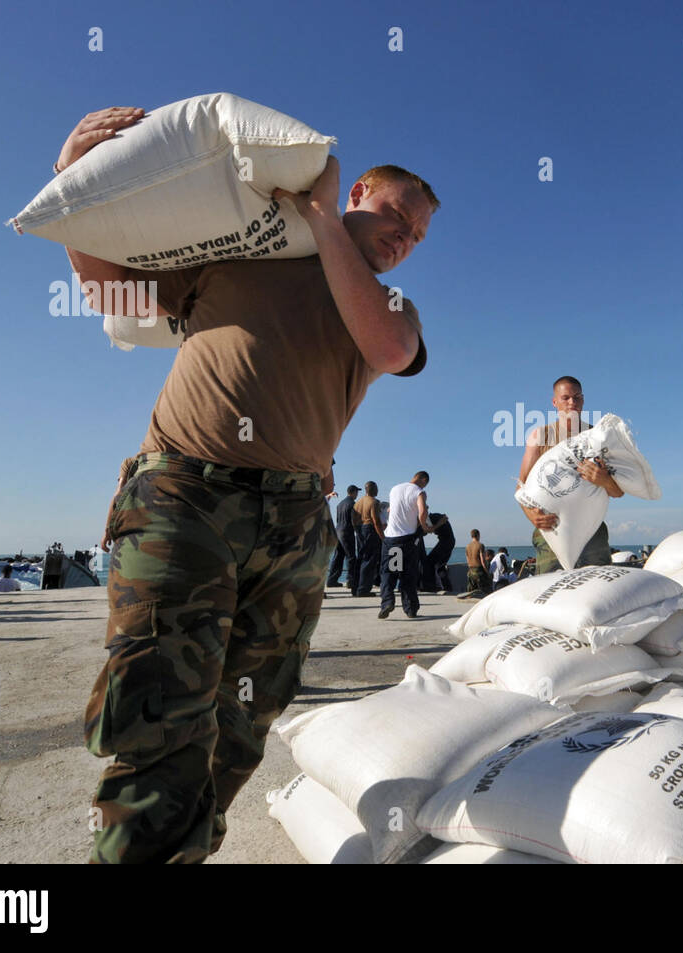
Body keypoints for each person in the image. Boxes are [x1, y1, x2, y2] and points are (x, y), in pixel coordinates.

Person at [61, 106, 438, 863]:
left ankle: (178, 853)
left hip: (294, 520)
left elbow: (392, 349)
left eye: (418, 236)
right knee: (164, 716)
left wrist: (329, 222)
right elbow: (114, 293)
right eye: (399, 216)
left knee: (243, 721)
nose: (405, 240)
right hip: (184, 498)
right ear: (360, 188)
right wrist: (74, 178)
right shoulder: (239, 252)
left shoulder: (391, 306)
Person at [517, 376, 624, 573]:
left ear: (583, 400)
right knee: (550, 591)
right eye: (565, 398)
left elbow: (618, 492)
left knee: (598, 589)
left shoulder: (599, 437)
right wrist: (532, 515)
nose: (572, 403)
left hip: (593, 531)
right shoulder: (540, 437)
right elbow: (521, 487)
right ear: (554, 402)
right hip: (552, 530)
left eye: (577, 397)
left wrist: (605, 480)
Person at [379, 472, 434, 619]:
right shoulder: (419, 492)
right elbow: (422, 512)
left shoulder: (394, 489)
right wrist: (425, 527)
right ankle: (410, 609)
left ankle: (387, 602)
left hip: (391, 539)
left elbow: (391, 510)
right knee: (408, 575)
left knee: (389, 572)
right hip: (408, 540)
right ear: (423, 480)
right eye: (425, 483)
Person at [354, 481, 385, 597]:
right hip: (370, 529)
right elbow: (376, 520)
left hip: (360, 530)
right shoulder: (374, 502)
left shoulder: (358, 502)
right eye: (376, 488)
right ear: (372, 489)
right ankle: (364, 589)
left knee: (361, 559)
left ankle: (356, 587)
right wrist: (382, 537)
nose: (378, 490)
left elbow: (354, 519)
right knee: (369, 561)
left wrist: (357, 530)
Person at [327, 485, 360, 590]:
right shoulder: (352, 504)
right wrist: (357, 531)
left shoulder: (340, 504)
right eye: (357, 492)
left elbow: (337, 519)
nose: (357, 494)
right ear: (353, 492)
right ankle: (351, 581)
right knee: (351, 557)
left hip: (338, 531)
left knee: (338, 556)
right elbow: (353, 520)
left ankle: (331, 580)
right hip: (347, 532)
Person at [419, 511, 455, 593]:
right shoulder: (436, 517)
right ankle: (447, 587)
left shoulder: (432, 518)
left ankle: (430, 586)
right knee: (440, 566)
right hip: (449, 542)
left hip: (446, 542)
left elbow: (428, 530)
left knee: (429, 562)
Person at [463, 529, 491, 597]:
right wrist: (487, 572)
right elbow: (483, 561)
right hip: (479, 571)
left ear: (471, 536)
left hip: (471, 572)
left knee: (472, 593)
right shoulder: (480, 545)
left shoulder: (467, 547)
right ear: (478, 535)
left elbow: (468, 561)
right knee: (485, 592)